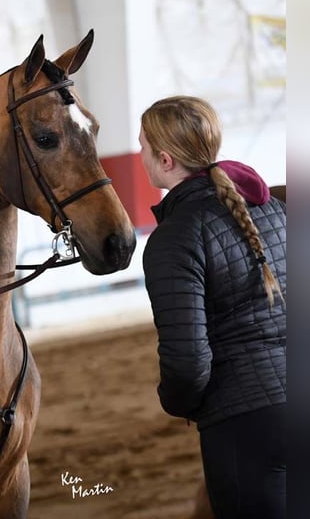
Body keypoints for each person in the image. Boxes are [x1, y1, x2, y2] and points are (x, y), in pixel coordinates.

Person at [138, 96, 286, 518]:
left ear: (165, 160)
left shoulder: (173, 237)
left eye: (143, 147)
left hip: (245, 420)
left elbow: (187, 360)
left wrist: (179, 401)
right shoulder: (275, 209)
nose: (141, 156)